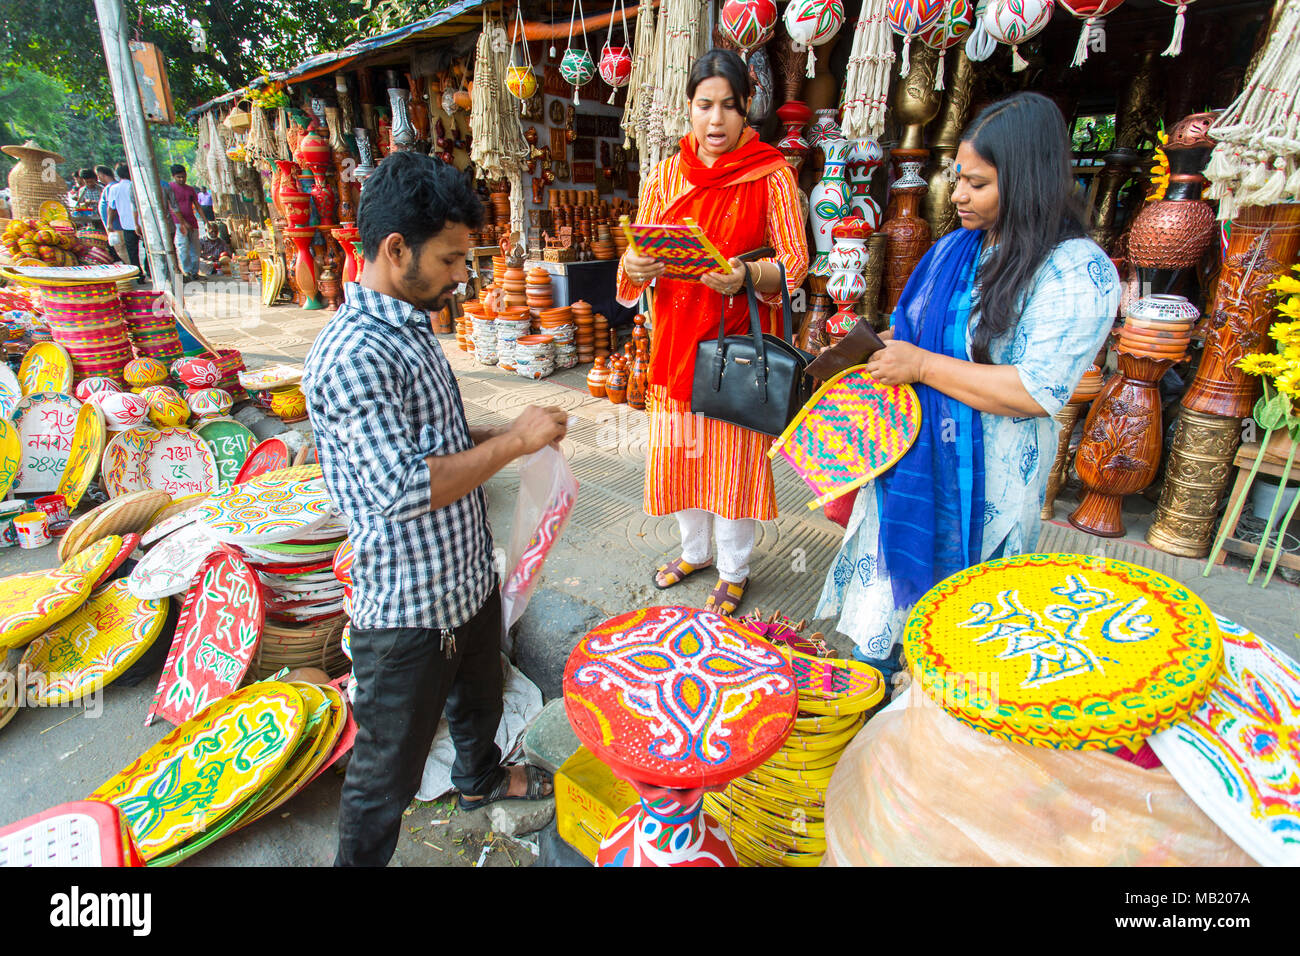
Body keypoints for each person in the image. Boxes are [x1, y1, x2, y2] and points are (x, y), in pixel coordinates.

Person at [303, 151, 562, 868]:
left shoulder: (407, 324)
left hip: (465, 580)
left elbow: (427, 439)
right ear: (395, 250)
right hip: (407, 610)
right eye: (449, 259)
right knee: (383, 775)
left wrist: (491, 437)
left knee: (479, 698)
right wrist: (511, 443)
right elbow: (402, 487)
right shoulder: (353, 352)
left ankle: (479, 779)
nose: (459, 276)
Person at [815, 92, 1121, 693]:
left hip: (990, 482)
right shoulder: (959, 247)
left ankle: (937, 733)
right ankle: (874, 710)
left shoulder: (1075, 270)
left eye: (976, 184)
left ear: (1029, 181)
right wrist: (863, 351)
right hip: (912, 458)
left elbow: (1034, 390)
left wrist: (922, 366)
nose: (957, 196)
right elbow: (915, 328)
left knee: (964, 629)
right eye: (958, 179)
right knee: (886, 612)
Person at [616, 48, 809, 617]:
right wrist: (637, 266)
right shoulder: (667, 172)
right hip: (676, 337)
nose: (716, 120)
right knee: (683, 453)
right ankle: (694, 551)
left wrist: (747, 273)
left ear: (747, 108)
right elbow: (635, 256)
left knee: (732, 459)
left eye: (728, 106)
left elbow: (795, 266)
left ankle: (734, 569)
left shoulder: (771, 174)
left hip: (735, 348)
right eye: (704, 105)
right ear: (689, 108)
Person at [167, 164, 205, 282]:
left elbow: (197, 206)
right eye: (179, 177)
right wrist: (184, 223)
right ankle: (187, 271)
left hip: (192, 222)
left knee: (196, 249)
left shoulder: (190, 189)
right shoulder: (169, 188)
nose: (181, 179)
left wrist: (206, 221)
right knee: (183, 247)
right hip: (178, 223)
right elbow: (173, 207)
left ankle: (195, 272)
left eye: (183, 177)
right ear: (173, 176)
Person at [104, 163, 140, 269]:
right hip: (142, 223)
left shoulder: (114, 188)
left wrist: (109, 223)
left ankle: (138, 274)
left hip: (127, 224)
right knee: (147, 248)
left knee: (132, 251)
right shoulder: (136, 186)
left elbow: (111, 207)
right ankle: (148, 269)